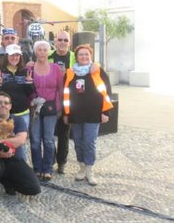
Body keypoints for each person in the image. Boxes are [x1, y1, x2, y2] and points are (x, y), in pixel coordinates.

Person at [0, 92, 41, 206]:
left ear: (10, 106)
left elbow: (20, 140)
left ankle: (7, 181)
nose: (3, 105)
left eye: (6, 103)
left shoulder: (18, 120)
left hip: (14, 160)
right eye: (0, 103)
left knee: (34, 188)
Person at [63, 44, 113, 186]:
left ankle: (90, 171)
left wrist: (106, 112)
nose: (84, 57)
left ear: (90, 56)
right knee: (78, 142)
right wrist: (66, 113)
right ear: (76, 57)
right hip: (76, 114)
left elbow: (107, 92)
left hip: (93, 113)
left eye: (86, 54)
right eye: (81, 54)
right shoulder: (70, 73)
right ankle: (82, 168)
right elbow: (65, 95)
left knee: (89, 142)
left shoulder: (97, 71)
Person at [0, 44, 34, 162]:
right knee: (4, 141)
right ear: (7, 56)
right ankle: (4, 168)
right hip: (5, 115)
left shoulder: (24, 72)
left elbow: (29, 93)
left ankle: (21, 165)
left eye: (17, 55)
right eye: (12, 55)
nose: (15, 58)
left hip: (22, 113)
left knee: (20, 142)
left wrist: (29, 84)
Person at [29, 40, 63, 181]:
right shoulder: (29, 68)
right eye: (39, 49)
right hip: (35, 108)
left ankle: (47, 168)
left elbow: (60, 89)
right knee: (35, 140)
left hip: (51, 108)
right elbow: (27, 88)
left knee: (48, 140)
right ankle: (37, 168)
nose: (42, 52)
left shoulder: (56, 68)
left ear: (49, 52)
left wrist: (60, 108)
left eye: (45, 49)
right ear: (35, 51)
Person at [48, 31, 76, 174]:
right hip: (51, 99)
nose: (63, 42)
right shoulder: (48, 55)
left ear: (69, 43)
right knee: (50, 133)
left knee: (64, 133)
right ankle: (50, 160)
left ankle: (62, 162)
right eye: (60, 39)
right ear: (55, 42)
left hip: (67, 100)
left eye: (66, 40)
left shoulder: (74, 57)